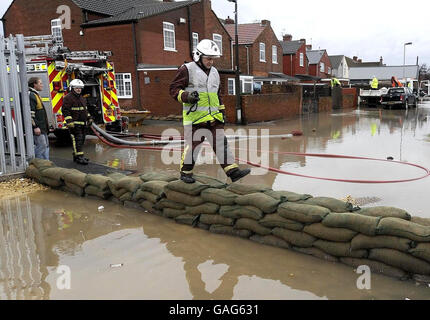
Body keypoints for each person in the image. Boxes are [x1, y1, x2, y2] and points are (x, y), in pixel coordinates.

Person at [169, 39, 250, 184]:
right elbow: (173, 89)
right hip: (194, 118)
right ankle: (185, 173)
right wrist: (187, 96)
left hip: (213, 117)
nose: (211, 62)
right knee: (193, 147)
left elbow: (217, 96)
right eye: (208, 59)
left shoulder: (215, 73)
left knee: (221, 143)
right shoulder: (187, 69)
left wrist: (222, 113)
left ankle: (233, 172)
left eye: (213, 59)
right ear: (198, 56)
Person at [62, 79, 93, 165]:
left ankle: (77, 156)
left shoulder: (82, 98)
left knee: (82, 140)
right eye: (77, 88)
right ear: (72, 88)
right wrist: (69, 121)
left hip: (83, 123)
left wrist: (89, 118)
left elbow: (85, 110)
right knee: (77, 140)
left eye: (80, 88)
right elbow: (65, 110)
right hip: (74, 124)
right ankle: (79, 157)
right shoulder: (68, 98)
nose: (79, 90)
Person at [29, 77, 50, 159]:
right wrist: (35, 127)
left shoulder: (35, 94)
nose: (42, 85)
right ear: (34, 84)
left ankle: (46, 164)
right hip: (39, 127)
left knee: (45, 146)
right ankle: (36, 164)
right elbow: (31, 114)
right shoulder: (31, 95)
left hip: (42, 127)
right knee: (42, 146)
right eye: (40, 83)